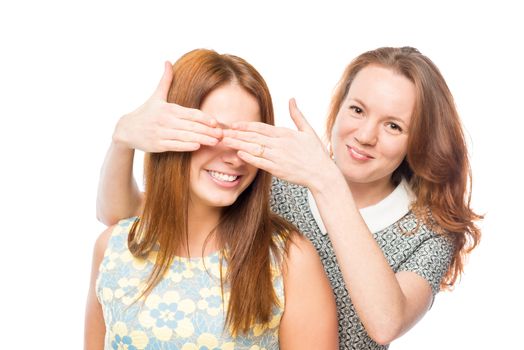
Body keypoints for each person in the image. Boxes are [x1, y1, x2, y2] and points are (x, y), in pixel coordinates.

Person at [95, 47, 482, 349]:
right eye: (358, 110)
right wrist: (123, 137)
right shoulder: (279, 179)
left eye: (394, 126)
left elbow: (385, 323)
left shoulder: (430, 233)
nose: (365, 135)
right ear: (339, 106)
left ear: (419, 139)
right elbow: (126, 218)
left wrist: (326, 182)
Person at [85, 49, 339, 350]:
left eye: (247, 138)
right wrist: (122, 135)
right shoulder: (112, 249)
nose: (233, 157)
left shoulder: (288, 260)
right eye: (214, 132)